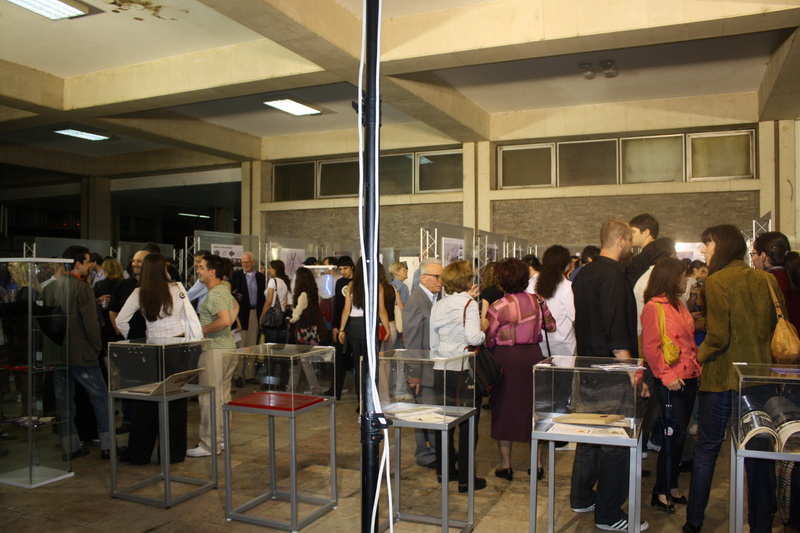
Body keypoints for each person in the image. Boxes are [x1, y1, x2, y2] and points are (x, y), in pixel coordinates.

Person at [683, 225, 783, 533]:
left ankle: (694, 521)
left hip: (722, 378)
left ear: (723, 246)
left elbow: (718, 337)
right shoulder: (766, 280)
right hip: (759, 378)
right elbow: (775, 324)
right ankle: (761, 523)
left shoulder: (717, 281)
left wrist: (694, 359)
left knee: (707, 449)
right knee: (758, 453)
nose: (704, 250)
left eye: (708, 244)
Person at [571, 219, 648, 532]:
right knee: (615, 444)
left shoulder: (583, 273)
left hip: (587, 368)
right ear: (620, 240)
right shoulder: (613, 277)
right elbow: (616, 332)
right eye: (629, 240)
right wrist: (633, 371)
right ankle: (608, 513)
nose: (631, 246)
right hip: (612, 372)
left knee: (589, 438)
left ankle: (581, 497)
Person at [115, 254, 202, 464]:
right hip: (177, 348)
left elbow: (120, 321)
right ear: (163, 269)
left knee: (146, 403)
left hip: (152, 350)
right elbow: (189, 317)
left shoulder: (139, 292)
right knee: (175, 402)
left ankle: (139, 454)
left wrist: (136, 339)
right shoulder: (177, 288)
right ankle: (172, 455)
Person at [486, 258, 555, 483]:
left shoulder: (498, 306)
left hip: (506, 360)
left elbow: (488, 337)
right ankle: (537, 464)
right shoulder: (538, 300)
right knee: (535, 409)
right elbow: (551, 326)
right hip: (534, 357)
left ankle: (505, 465)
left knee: (503, 408)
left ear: (501, 281)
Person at [640, 258, 701, 514]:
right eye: (682, 275)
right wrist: (666, 375)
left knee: (679, 435)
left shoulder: (678, 304)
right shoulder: (654, 307)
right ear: (670, 278)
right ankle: (661, 490)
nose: (685, 279)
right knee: (672, 435)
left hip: (689, 376)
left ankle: (672, 485)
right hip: (671, 380)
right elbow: (651, 347)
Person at [429, 260, 488, 493]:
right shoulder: (469, 305)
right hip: (462, 369)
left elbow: (433, 342)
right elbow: (473, 338)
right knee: (468, 425)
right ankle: (465, 480)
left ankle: (444, 472)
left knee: (444, 422)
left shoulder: (439, 304)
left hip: (440, 368)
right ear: (467, 280)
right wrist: (483, 328)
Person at [53, 246, 112, 460]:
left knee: (65, 403)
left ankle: (70, 446)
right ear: (78, 263)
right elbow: (91, 324)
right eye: (87, 262)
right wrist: (96, 347)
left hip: (60, 354)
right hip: (83, 354)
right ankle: (108, 445)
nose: (89, 266)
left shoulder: (54, 286)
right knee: (101, 398)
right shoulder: (82, 288)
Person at [187, 254, 239, 458]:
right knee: (222, 396)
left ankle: (209, 444)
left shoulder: (216, 293)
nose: (197, 270)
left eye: (201, 267)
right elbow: (235, 307)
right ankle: (222, 438)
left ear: (212, 272)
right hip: (227, 348)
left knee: (209, 398)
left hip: (215, 351)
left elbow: (225, 320)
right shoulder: (222, 289)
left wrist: (204, 331)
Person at [402, 257, 444, 468]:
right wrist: (414, 372)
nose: (440, 281)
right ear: (423, 277)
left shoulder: (435, 298)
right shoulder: (416, 301)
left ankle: (436, 452)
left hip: (433, 367)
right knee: (425, 413)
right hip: (422, 369)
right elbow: (412, 340)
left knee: (432, 412)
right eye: (436, 277)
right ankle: (426, 454)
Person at [338, 260, 389, 401]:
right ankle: (371, 397)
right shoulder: (377, 285)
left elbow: (346, 310)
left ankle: (360, 399)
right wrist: (387, 329)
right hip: (370, 324)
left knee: (357, 363)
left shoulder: (351, 285)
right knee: (371, 362)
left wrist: (342, 329)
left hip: (354, 326)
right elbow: (382, 311)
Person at [288, 266, 329, 394]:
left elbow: (296, 315)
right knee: (302, 362)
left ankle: (312, 388)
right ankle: (292, 388)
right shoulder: (312, 294)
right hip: (311, 332)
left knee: (301, 362)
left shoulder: (303, 295)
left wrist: (290, 319)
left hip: (302, 333)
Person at [230, 251, 266, 386]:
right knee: (241, 345)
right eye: (243, 262)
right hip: (241, 315)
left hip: (255, 313)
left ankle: (249, 374)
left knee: (252, 345)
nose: (245, 264)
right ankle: (238, 375)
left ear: (253, 262)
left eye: (247, 262)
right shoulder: (236, 276)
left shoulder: (261, 277)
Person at [535, 245, 576, 357]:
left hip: (539, 345)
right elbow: (574, 317)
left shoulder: (533, 285)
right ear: (566, 264)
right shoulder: (568, 287)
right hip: (563, 347)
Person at [330, 256, 355, 399]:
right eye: (340, 269)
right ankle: (335, 391)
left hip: (355, 324)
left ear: (352, 267)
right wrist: (335, 326)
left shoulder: (358, 282)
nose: (343, 271)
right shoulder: (340, 283)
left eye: (345, 268)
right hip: (342, 325)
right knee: (339, 358)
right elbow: (338, 306)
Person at [259, 259, 291, 343]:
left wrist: (261, 317)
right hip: (281, 321)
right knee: (280, 347)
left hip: (272, 321)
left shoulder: (272, 281)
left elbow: (269, 301)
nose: (268, 270)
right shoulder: (284, 282)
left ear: (275, 269)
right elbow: (285, 303)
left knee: (270, 347)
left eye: (270, 268)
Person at [627, 213, 660, 285]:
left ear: (646, 232)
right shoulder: (664, 254)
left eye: (633, 232)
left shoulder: (640, 260)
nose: (630, 236)